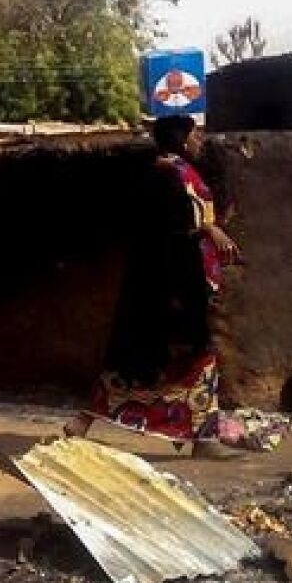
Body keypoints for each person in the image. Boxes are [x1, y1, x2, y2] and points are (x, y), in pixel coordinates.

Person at [91, 115, 239, 446]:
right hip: (170, 279)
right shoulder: (167, 174)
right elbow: (173, 227)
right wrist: (208, 229)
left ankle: (85, 421)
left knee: (146, 354)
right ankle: (201, 439)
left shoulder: (171, 171)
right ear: (181, 139)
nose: (200, 141)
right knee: (186, 353)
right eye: (195, 135)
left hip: (169, 277)